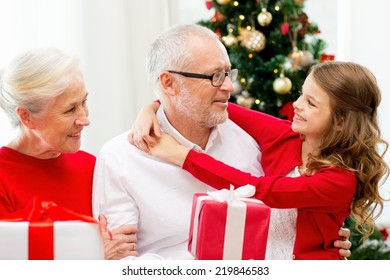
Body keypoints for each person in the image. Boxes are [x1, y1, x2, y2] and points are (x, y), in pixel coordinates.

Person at [94, 23, 351, 259]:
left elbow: (278, 197)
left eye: (229, 73)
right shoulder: (119, 158)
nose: (229, 86)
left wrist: (324, 239)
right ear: (168, 83)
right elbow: (123, 263)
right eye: (215, 76)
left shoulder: (254, 138)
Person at [132, 61, 389, 259]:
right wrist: (151, 107)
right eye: (301, 94)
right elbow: (208, 103)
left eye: (311, 103)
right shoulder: (281, 134)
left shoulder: (340, 181)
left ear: (341, 122)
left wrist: (180, 155)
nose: (296, 104)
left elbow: (258, 189)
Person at [0, 47, 137, 260]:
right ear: (26, 117)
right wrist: (95, 258)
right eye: (69, 110)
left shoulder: (93, 166)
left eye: (84, 102)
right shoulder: (3, 177)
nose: (85, 119)